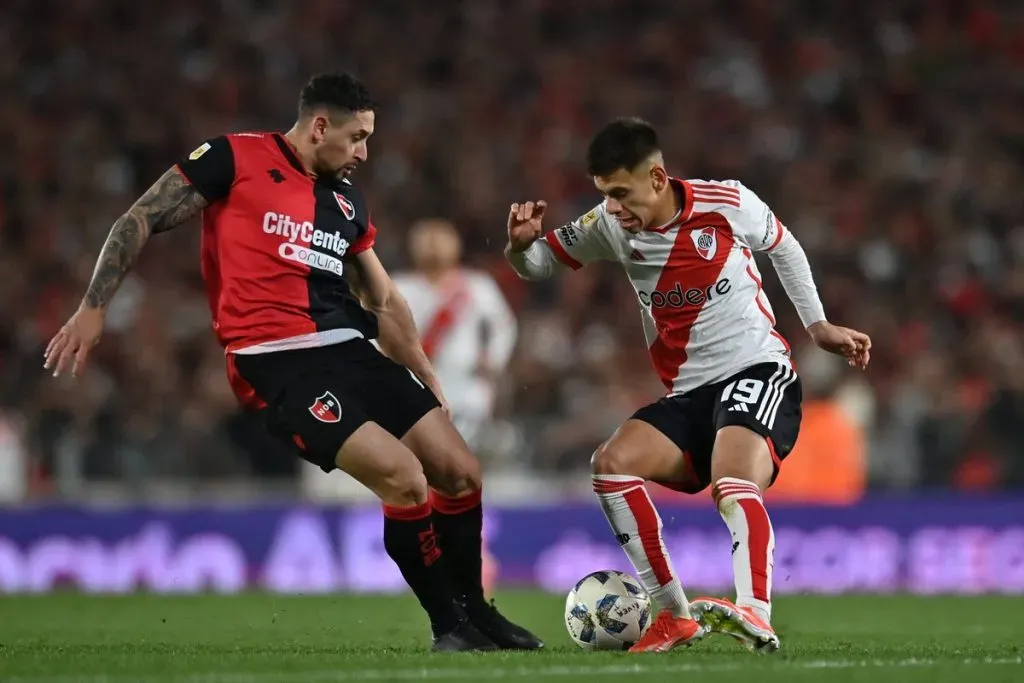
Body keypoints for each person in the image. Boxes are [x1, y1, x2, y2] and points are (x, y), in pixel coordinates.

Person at [44, 72, 542, 653]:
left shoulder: (346, 200)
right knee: (405, 480)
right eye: (357, 137)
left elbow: (382, 299)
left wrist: (425, 374)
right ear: (320, 125)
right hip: (275, 363)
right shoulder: (234, 157)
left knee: (461, 472)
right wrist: (92, 306)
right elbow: (139, 217)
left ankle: (477, 612)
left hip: (351, 351)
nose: (364, 152)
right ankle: (448, 627)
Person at [504, 118, 871, 654]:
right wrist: (519, 248)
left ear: (657, 178)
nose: (614, 207)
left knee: (732, 481)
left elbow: (785, 247)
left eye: (622, 193)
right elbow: (538, 265)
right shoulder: (608, 224)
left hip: (756, 370)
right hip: (689, 395)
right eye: (605, 194)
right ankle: (675, 616)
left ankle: (755, 611)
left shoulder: (726, 203)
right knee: (610, 466)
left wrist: (819, 327)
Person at [392, 219, 517, 452]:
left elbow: (504, 326)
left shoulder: (475, 285)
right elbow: (376, 330)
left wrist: (493, 359)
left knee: (460, 455)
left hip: (465, 385)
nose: (433, 249)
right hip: (415, 382)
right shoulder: (400, 286)